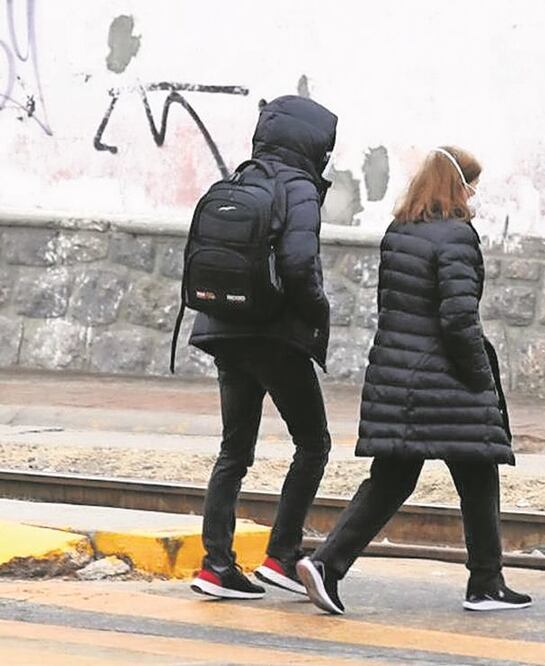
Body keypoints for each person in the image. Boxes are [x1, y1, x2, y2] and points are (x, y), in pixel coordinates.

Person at [297, 146, 531, 615]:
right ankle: (485, 583)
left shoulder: (399, 232)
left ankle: (327, 564)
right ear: (457, 185)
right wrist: (480, 379)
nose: (473, 194)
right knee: (478, 476)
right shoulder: (457, 236)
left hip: (398, 375)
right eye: (471, 185)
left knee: (391, 479)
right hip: (445, 380)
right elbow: (458, 317)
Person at [188, 95, 337, 599]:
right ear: (312, 143)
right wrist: (317, 312)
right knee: (314, 444)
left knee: (234, 450)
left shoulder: (239, 177)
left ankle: (215, 566)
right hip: (274, 336)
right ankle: (282, 555)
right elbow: (299, 265)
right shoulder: (299, 188)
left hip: (224, 329)